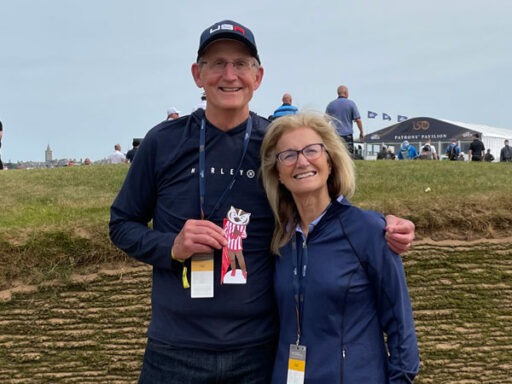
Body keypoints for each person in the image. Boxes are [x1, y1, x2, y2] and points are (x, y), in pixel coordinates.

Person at [109, 19, 416, 384]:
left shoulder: (276, 144)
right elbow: (121, 224)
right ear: (197, 74)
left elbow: (321, 202)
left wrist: (383, 227)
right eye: (217, 63)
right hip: (175, 350)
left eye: (241, 64)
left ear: (258, 77)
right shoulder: (162, 142)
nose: (230, 75)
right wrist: (171, 246)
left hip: (257, 351)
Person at [260, 112, 420, 383]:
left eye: (312, 150)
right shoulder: (279, 239)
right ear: (278, 173)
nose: (302, 161)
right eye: (288, 155)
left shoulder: (367, 230)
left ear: (330, 161)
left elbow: (401, 328)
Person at [325, 85, 363, 156]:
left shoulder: (331, 105)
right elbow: (358, 120)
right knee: (348, 156)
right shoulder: (351, 104)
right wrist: (361, 132)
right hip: (347, 135)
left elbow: (325, 121)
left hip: (335, 135)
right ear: (345, 93)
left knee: (337, 156)